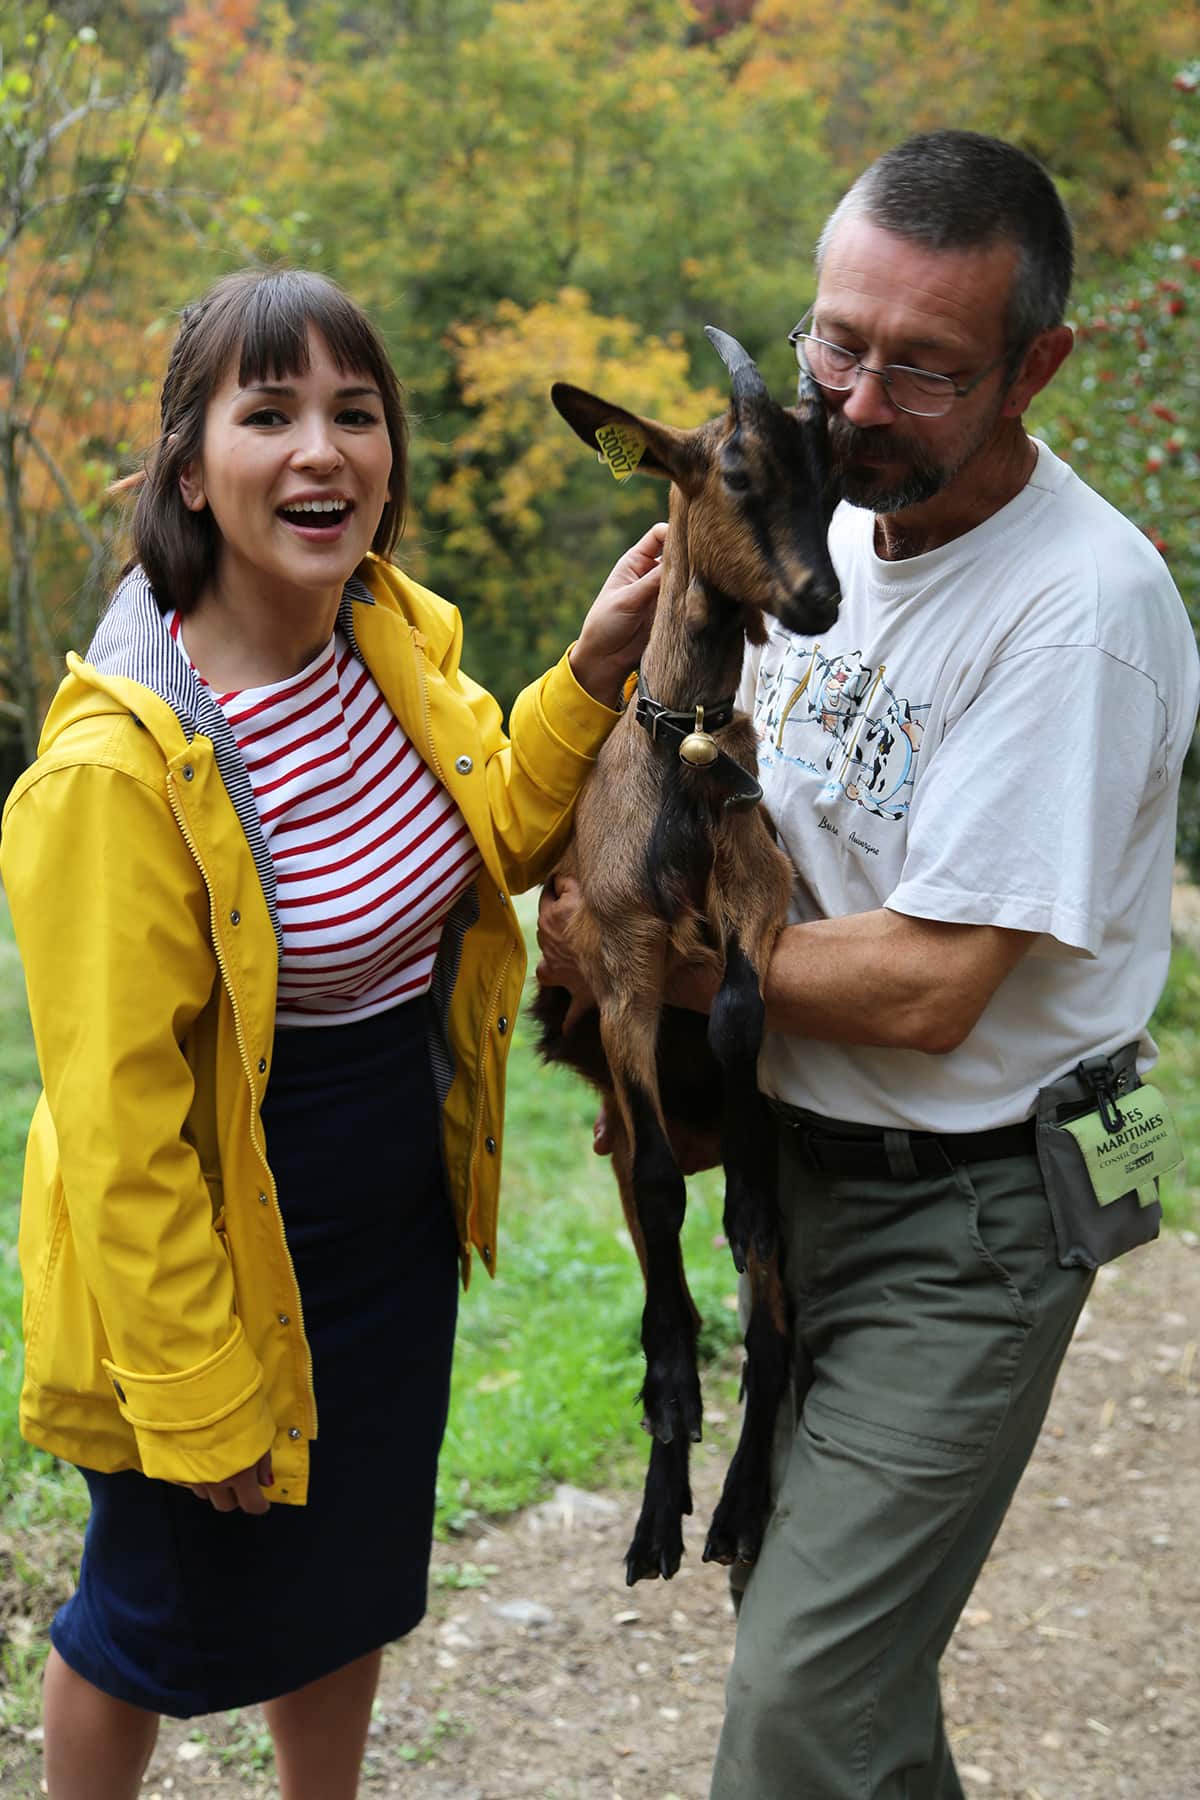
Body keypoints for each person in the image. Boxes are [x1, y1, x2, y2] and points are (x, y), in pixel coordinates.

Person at [536, 131, 1200, 1798]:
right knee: (837, 1668)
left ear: (1037, 366)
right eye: (840, 342)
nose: (857, 399)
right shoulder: (835, 532)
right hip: (795, 1173)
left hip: (963, 1214)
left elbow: (925, 988)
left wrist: (636, 969)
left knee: (798, 1713)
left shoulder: (1077, 610)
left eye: (924, 368)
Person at [0, 266, 665, 1800]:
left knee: (354, 1571)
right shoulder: (122, 759)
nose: (323, 451)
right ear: (189, 464)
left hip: (387, 1195)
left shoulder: (383, 628)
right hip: (216, 1225)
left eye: (354, 415)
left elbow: (491, 828)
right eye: (270, 413)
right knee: (144, 1617)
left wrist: (592, 663)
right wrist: (195, 1389)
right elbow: (121, 1134)